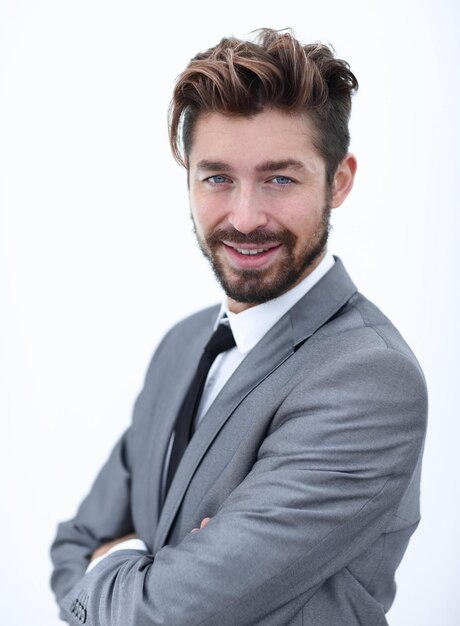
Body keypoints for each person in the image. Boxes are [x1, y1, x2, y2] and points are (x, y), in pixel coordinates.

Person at [50, 28, 428, 625]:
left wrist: (126, 562)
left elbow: (166, 614)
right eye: (217, 177)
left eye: (280, 178)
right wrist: (149, 569)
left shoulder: (369, 378)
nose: (245, 217)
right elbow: (72, 545)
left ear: (339, 180)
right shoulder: (181, 346)